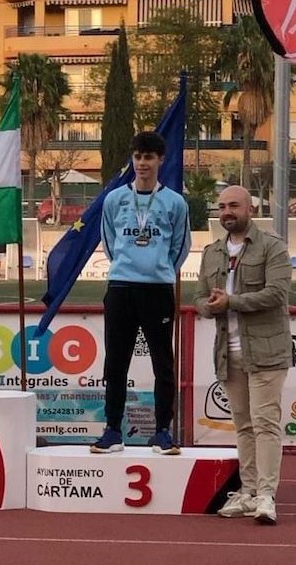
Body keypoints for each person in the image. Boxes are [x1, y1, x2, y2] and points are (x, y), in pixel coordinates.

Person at [195, 185, 292, 525]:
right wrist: (208, 307)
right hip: (228, 353)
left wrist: (231, 303)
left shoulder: (272, 248)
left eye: (234, 205)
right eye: (221, 206)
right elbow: (198, 297)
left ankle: (267, 495)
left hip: (266, 351)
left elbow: (277, 294)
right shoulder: (212, 252)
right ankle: (248, 491)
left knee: (265, 424)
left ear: (251, 209)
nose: (227, 212)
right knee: (244, 426)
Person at [90, 131, 190, 455]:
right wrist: (128, 266)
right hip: (121, 287)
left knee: (163, 361)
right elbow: (108, 241)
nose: (142, 163)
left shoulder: (175, 203)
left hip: (158, 290)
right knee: (116, 362)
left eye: (149, 157)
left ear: (160, 160)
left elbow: (180, 246)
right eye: (138, 157)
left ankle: (162, 432)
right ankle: (113, 430)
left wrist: (158, 269)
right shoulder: (115, 199)